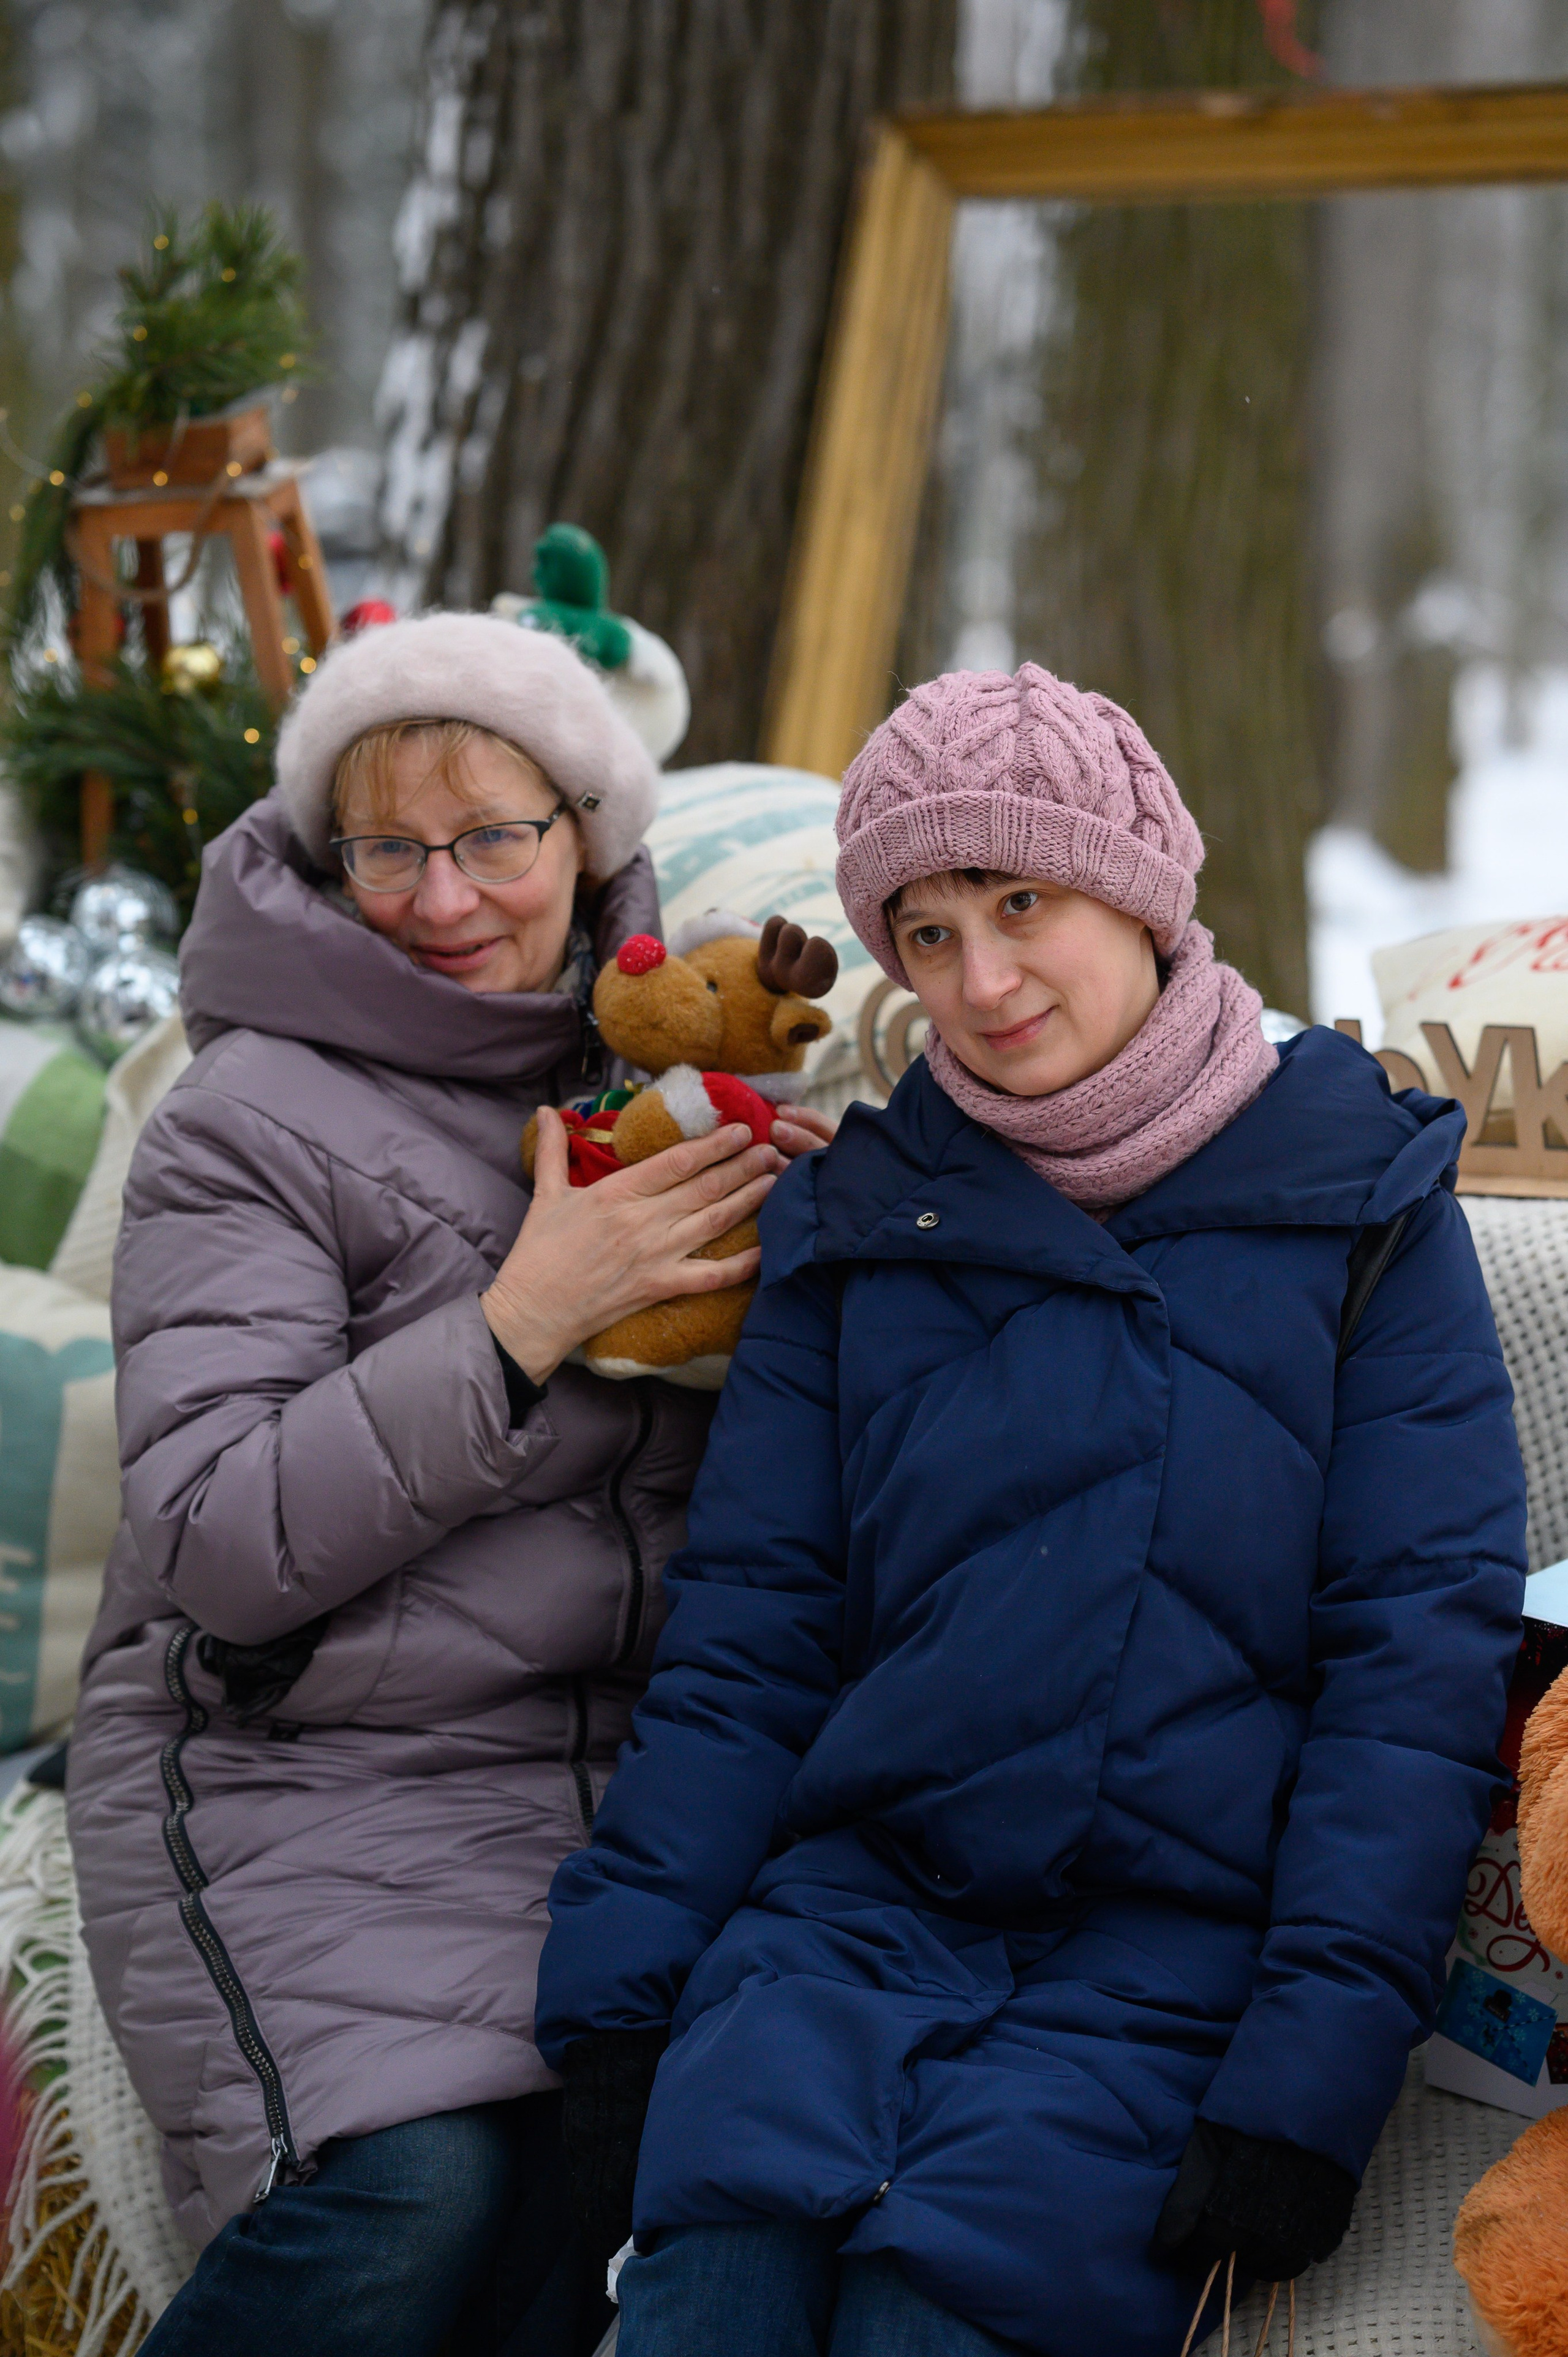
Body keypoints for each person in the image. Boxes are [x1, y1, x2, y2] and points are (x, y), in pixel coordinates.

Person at [535, 663, 1528, 2357]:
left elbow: (1410, 1687)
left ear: (1140, 890)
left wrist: (1304, 2092)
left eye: (1021, 901)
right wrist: (623, 2006)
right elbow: (752, 1645)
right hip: (839, 1942)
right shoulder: (859, 1227)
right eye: (925, 934)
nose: (982, 982)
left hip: (1169, 1981)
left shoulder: (1362, 1208)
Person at [65, 611, 831, 2357]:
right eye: (389, 848)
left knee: (606, 2199)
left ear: (587, 836)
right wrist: (522, 1318)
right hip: (298, 1760)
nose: (444, 895)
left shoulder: (663, 1078)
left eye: (497, 837)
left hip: (617, 1787)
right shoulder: (242, 1121)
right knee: (415, 2195)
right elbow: (222, 1543)